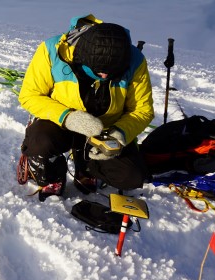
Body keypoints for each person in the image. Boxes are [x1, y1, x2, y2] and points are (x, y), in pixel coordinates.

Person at [17, 14, 154, 200]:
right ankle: (53, 173)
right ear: (82, 58)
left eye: (111, 72)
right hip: (60, 123)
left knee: (131, 176)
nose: (105, 76)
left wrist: (120, 134)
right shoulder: (53, 50)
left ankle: (87, 169)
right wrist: (68, 117)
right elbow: (29, 95)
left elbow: (142, 110)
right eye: (99, 72)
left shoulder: (134, 60)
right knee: (40, 141)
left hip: (104, 130)